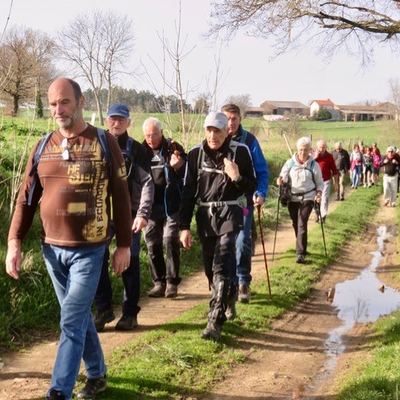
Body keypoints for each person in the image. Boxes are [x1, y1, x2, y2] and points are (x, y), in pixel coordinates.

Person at [5, 78, 132, 400]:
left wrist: (125, 246)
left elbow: (122, 196)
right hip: (51, 250)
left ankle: (58, 391)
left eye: (64, 102)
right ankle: (98, 374)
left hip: (89, 251)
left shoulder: (104, 141)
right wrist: (15, 242)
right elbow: (26, 198)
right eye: (52, 104)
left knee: (71, 319)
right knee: (77, 319)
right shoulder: (43, 145)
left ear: (80, 101)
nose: (58, 110)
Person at [179, 111, 257, 341]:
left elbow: (250, 187)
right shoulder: (195, 154)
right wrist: (184, 227)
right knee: (209, 269)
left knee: (222, 262)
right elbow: (187, 193)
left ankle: (214, 320)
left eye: (218, 131)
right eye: (209, 130)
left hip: (231, 213)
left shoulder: (240, 152)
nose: (213, 135)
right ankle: (228, 293)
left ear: (227, 133)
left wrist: (237, 176)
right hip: (205, 216)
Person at [94, 104, 154, 331]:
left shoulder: (137, 150)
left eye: (121, 120)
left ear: (129, 123)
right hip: (100, 217)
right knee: (96, 261)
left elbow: (148, 183)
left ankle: (129, 313)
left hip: (129, 217)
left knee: (130, 263)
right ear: (106, 120)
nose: (116, 123)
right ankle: (103, 309)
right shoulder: (97, 146)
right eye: (112, 119)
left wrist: (143, 214)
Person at [221, 103, 269, 304]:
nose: (230, 123)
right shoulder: (214, 138)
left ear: (240, 119)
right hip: (221, 201)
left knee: (242, 240)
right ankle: (227, 283)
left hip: (244, 200)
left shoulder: (250, 141)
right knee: (225, 243)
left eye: (234, 118)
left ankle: (243, 282)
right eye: (227, 119)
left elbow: (262, 171)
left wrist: (260, 192)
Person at [142, 117, 186, 298]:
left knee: (170, 240)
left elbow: (187, 175)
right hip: (151, 207)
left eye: (154, 134)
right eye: (147, 135)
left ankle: (171, 283)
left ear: (161, 133)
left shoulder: (174, 148)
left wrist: (179, 166)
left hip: (172, 204)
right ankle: (158, 282)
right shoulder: (141, 151)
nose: (151, 139)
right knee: (153, 244)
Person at [276, 137, 323, 264]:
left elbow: (320, 184)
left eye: (306, 150)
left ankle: (300, 253)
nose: (303, 153)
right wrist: (280, 180)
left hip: (308, 196)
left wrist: (318, 195)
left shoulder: (314, 165)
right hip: (293, 197)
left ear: (310, 150)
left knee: (302, 221)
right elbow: (282, 177)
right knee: (296, 223)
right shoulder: (290, 163)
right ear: (297, 150)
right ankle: (301, 244)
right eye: (301, 150)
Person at [313, 139, 338, 223]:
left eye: (323, 147)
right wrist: (315, 158)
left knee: (324, 198)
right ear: (317, 147)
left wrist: (336, 183)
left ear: (326, 147)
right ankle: (317, 213)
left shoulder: (329, 156)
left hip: (325, 180)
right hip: (314, 181)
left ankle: (323, 216)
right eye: (320, 147)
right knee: (315, 198)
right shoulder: (312, 156)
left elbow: (334, 170)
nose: (321, 149)